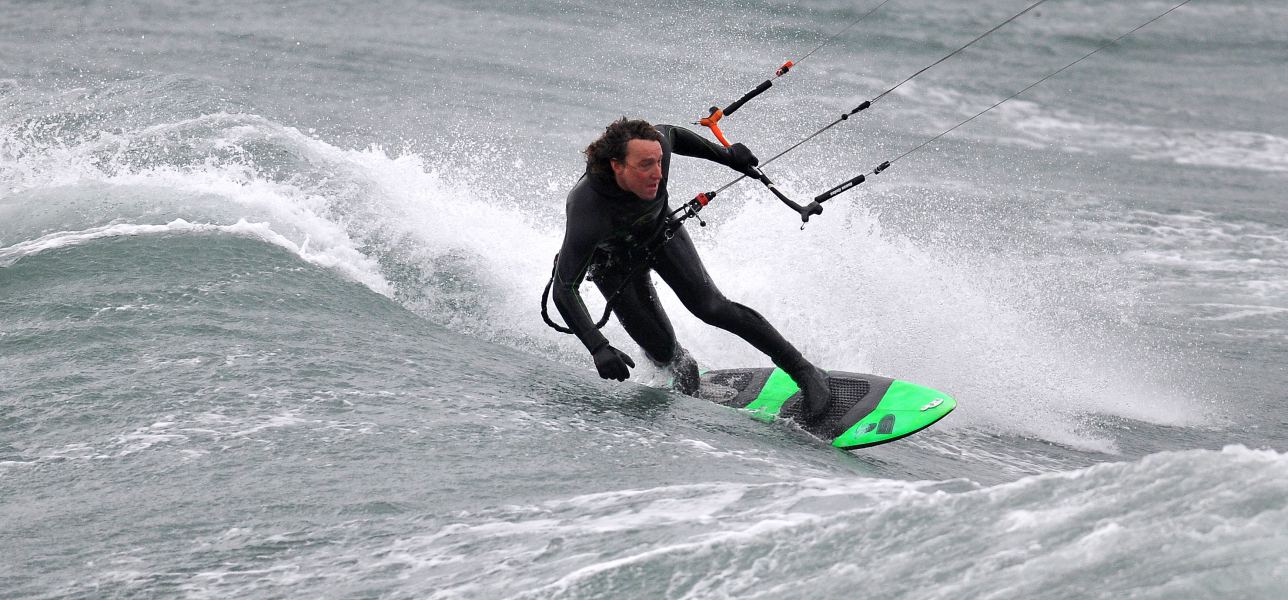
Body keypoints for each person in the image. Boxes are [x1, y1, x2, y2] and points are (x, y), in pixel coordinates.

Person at [550, 117, 832, 420]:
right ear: (616, 165)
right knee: (662, 349)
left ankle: (804, 370)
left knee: (711, 307)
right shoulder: (587, 208)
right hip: (611, 264)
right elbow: (564, 287)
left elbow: (672, 134)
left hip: (660, 235)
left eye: (659, 162)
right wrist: (598, 347)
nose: (658, 173)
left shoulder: (655, 151)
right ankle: (685, 368)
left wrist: (728, 157)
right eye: (646, 165)